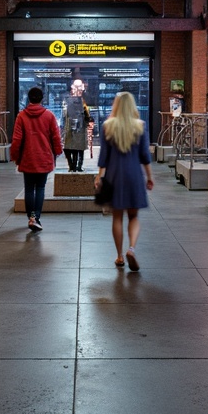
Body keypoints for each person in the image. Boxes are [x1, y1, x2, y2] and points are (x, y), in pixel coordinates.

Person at [94, 91, 154, 271]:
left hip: (114, 175)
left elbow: (104, 157)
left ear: (116, 105)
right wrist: (149, 177)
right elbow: (145, 156)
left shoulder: (107, 126)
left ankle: (119, 256)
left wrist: (99, 176)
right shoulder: (140, 126)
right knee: (134, 216)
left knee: (117, 217)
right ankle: (132, 249)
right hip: (134, 175)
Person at [11, 86, 62, 231]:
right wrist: (57, 151)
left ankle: (30, 217)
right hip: (44, 157)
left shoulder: (21, 116)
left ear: (29, 98)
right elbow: (55, 137)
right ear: (42, 98)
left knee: (28, 188)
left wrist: (15, 156)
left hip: (27, 157)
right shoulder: (49, 116)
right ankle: (36, 217)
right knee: (40, 188)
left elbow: (16, 139)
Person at [62, 81, 93, 171]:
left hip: (80, 126)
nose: (79, 90)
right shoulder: (67, 99)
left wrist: (87, 118)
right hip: (69, 126)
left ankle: (78, 165)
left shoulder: (83, 100)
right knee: (69, 147)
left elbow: (87, 113)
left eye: (80, 88)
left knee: (79, 147)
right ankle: (72, 165)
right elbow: (64, 113)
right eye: (77, 87)